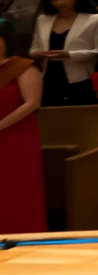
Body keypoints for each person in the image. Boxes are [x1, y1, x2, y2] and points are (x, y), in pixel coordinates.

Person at [0, 28, 46, 234]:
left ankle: (22, 232)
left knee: (16, 185)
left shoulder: (23, 66)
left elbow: (32, 102)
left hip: (16, 135)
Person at [30, 0, 98, 105]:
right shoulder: (43, 19)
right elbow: (34, 48)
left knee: (81, 118)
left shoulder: (94, 19)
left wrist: (69, 55)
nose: (59, 2)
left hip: (80, 78)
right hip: (49, 77)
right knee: (52, 117)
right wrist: (39, 54)